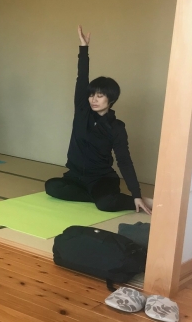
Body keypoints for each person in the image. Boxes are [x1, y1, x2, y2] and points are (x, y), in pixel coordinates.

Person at [45, 26, 152, 215]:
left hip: (101, 179)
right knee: (52, 187)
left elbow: (124, 161)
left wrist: (136, 194)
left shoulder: (116, 127)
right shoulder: (82, 112)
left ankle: (136, 201)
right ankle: (97, 197)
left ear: (111, 99)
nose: (93, 99)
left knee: (106, 205)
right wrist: (83, 49)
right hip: (76, 177)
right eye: (91, 95)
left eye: (100, 96)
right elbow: (82, 78)